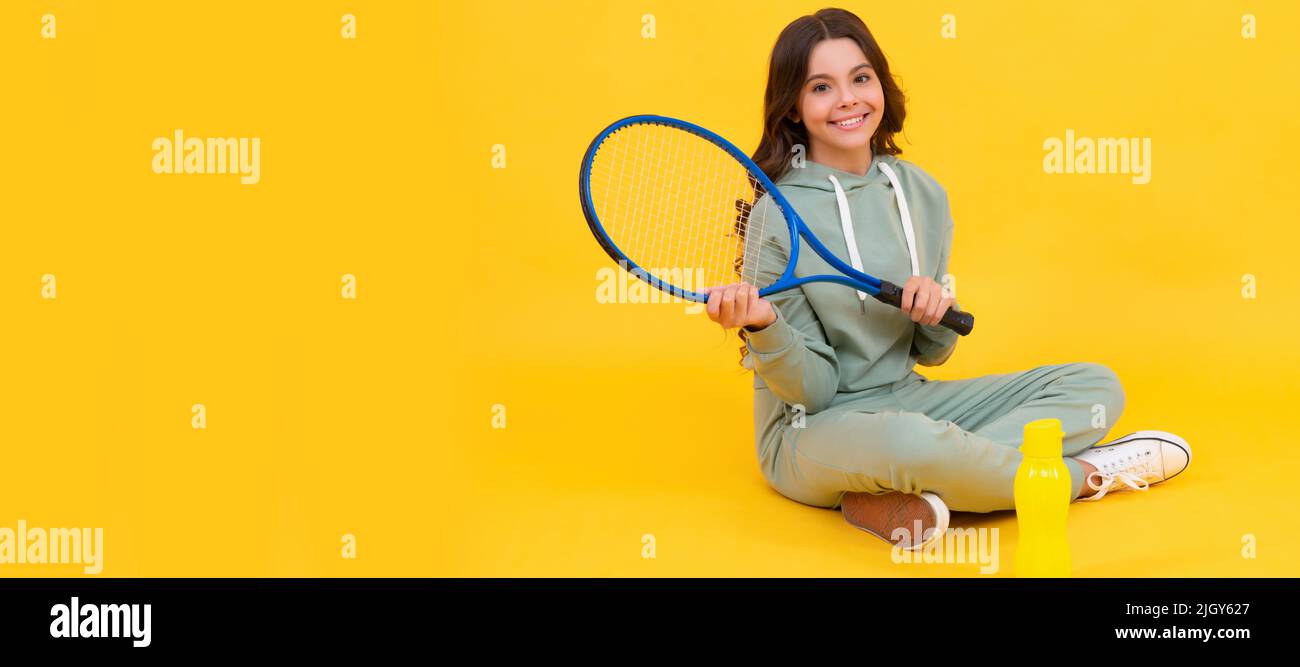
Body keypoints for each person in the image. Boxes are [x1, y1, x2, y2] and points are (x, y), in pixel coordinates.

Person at [703, 8, 1191, 551]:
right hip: (808, 430)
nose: (847, 99)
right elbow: (814, 392)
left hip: (909, 401)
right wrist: (765, 325)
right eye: (822, 87)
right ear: (794, 106)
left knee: (1095, 386)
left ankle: (909, 491)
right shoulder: (777, 215)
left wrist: (933, 313)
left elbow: (930, 355)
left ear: (880, 84)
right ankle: (1081, 476)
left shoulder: (923, 194)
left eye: (861, 78)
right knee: (911, 441)